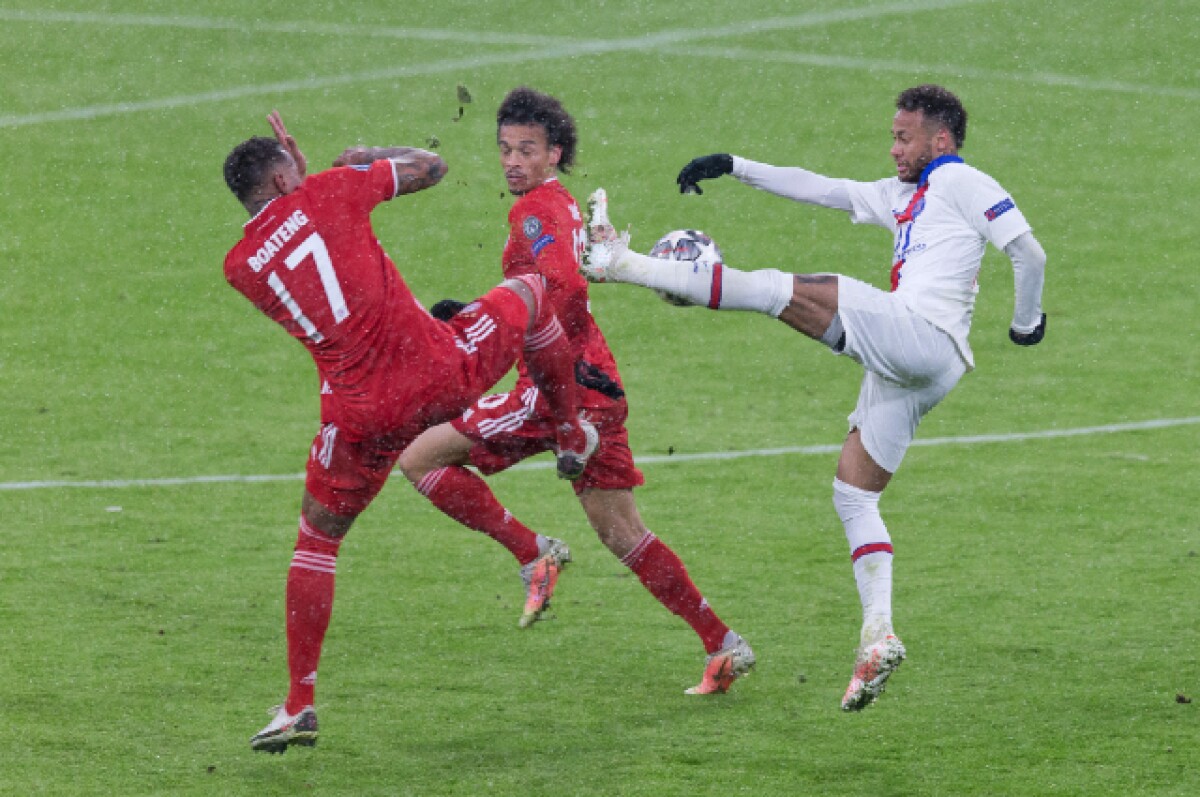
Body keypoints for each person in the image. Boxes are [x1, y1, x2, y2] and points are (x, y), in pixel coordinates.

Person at [583, 84, 1047, 711]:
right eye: (892, 136)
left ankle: (623, 264)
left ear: (940, 139)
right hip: (923, 366)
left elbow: (1028, 250)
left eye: (904, 137)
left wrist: (1026, 324)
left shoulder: (965, 182)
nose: (893, 149)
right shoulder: (899, 195)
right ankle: (878, 636)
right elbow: (820, 186)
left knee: (780, 289)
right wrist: (735, 166)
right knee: (854, 492)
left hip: (923, 335)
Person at [223, 111, 598, 753]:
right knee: (533, 288)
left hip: (358, 414)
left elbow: (311, 264)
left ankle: (298, 703)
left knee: (316, 540)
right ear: (288, 174)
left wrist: (305, 187)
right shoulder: (331, 188)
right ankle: (569, 432)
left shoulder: (240, 269)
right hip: (437, 373)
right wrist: (358, 156)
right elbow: (432, 167)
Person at [395, 87, 754, 695]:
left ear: (554, 153)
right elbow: (552, 282)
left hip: (556, 386)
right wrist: (484, 311)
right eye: (505, 148)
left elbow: (561, 286)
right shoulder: (557, 205)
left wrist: (496, 322)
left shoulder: (533, 211)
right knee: (622, 534)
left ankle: (533, 552)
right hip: (599, 381)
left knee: (418, 456)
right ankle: (724, 645)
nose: (512, 160)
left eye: (527, 150)